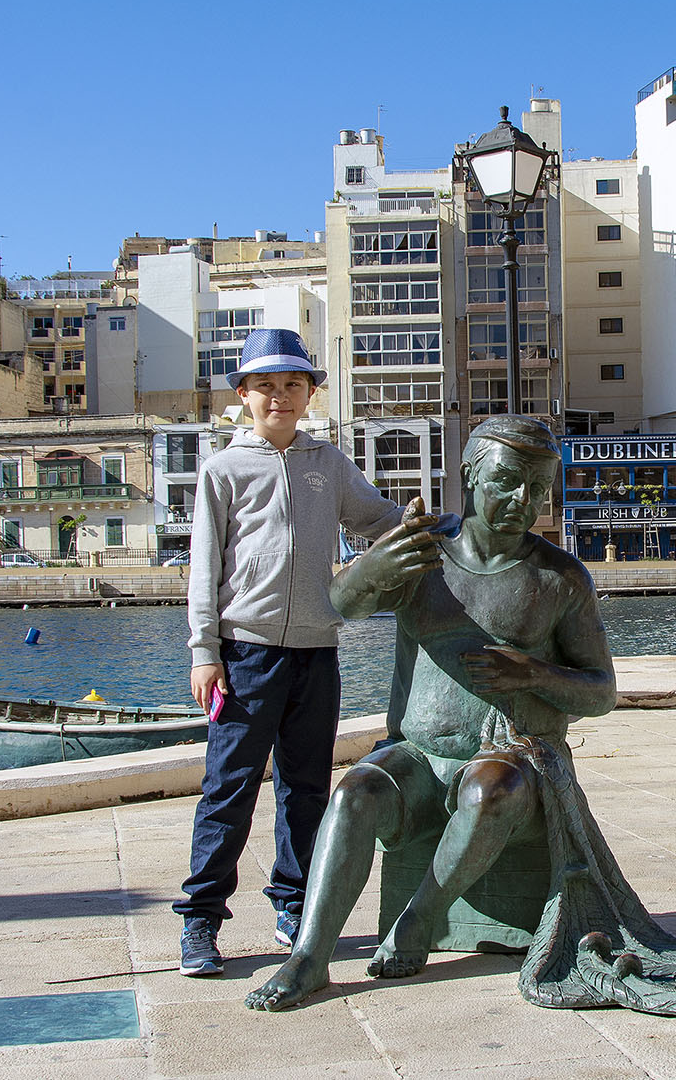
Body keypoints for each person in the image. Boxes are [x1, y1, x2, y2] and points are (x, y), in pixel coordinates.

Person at [247, 414, 620, 1011]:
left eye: (539, 488)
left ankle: (421, 919)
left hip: (511, 764)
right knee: (353, 795)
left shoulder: (560, 578)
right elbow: (337, 606)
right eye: (507, 482)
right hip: (419, 759)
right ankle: (309, 958)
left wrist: (534, 674)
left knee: (488, 792)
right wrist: (372, 566)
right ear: (470, 475)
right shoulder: (425, 553)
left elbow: (601, 691)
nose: (523, 501)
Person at [175, 327, 443, 977]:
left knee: (305, 790)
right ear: (243, 393)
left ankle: (294, 906)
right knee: (228, 788)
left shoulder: (328, 465)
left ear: (308, 394)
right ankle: (201, 920)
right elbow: (204, 568)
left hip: (316, 655)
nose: (280, 397)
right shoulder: (223, 469)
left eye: (292, 385)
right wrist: (203, 651)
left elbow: (375, 520)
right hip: (244, 657)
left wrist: (423, 524)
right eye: (266, 385)